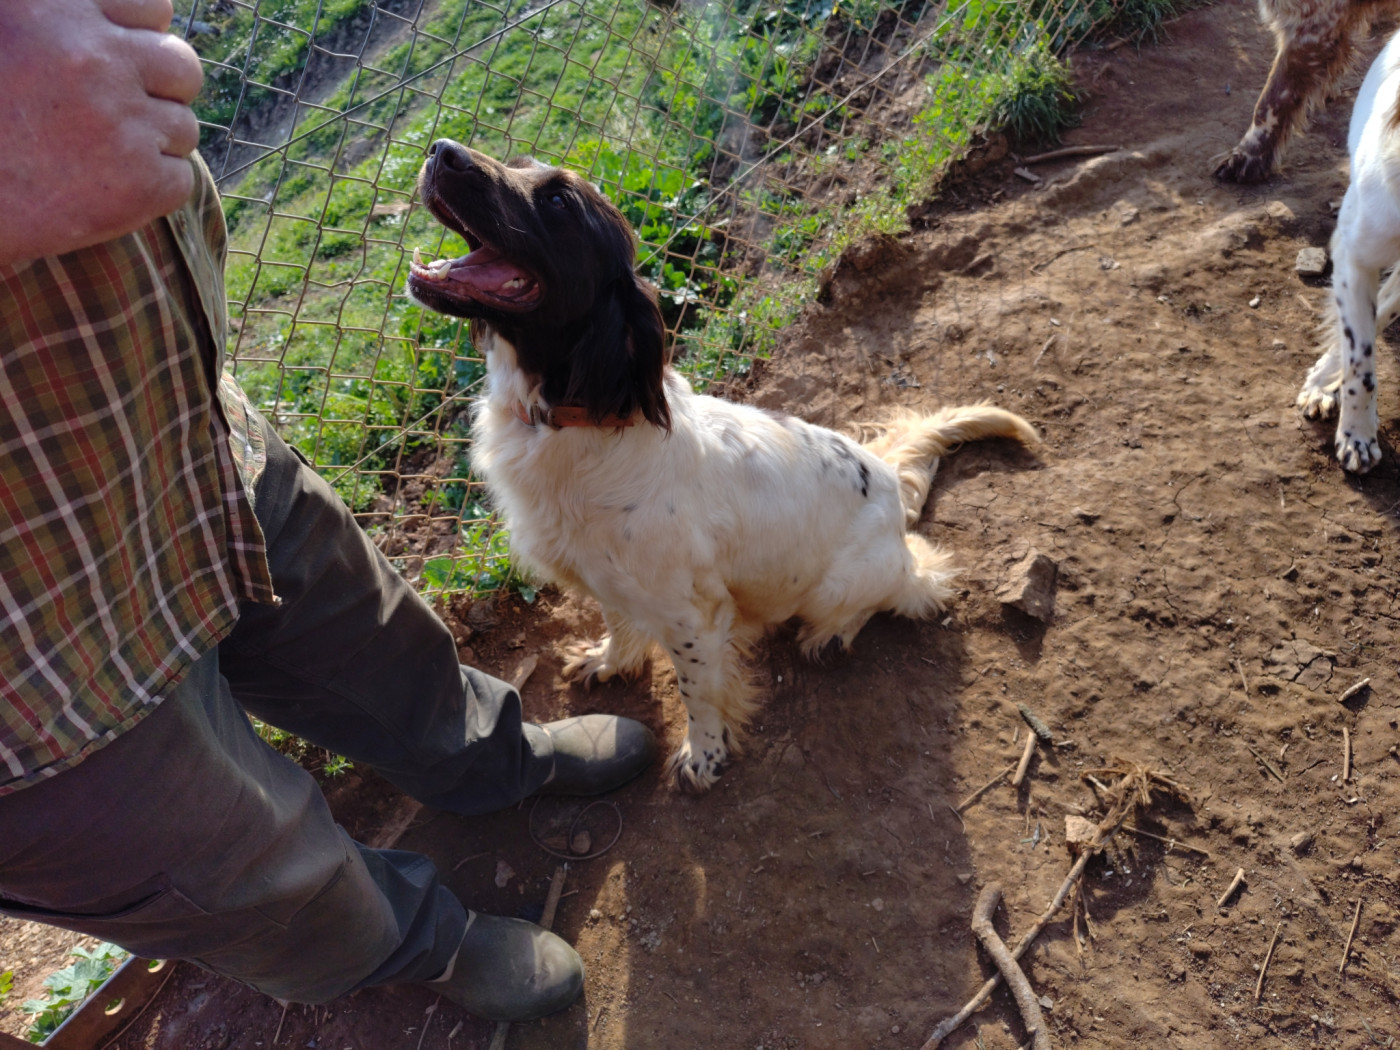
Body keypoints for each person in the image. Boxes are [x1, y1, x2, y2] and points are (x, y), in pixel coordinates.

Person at [0, 0, 656, 1021]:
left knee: (373, 640)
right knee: (234, 860)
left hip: (180, 431)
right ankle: (416, 948)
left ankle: (493, 757)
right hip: (28, 661)